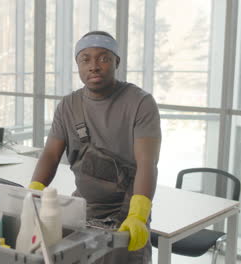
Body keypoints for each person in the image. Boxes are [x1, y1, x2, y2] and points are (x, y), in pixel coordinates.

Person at [29, 31, 161, 263]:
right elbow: (50, 154)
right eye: (85, 59)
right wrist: (32, 193)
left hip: (127, 213)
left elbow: (146, 163)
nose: (94, 66)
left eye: (103, 58)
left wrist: (138, 214)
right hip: (83, 210)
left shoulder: (140, 103)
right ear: (78, 64)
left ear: (116, 62)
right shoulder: (69, 106)